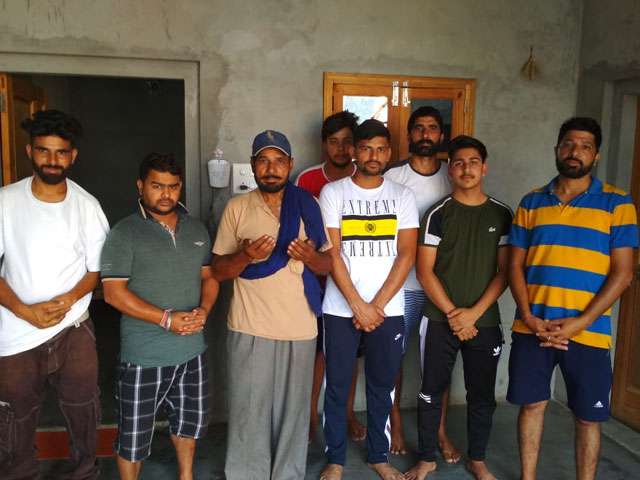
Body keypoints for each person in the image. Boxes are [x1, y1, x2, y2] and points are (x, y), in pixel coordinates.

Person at [507, 117, 638, 480]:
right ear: (557, 149)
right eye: (568, 144)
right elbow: (514, 265)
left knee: (588, 417)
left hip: (588, 331)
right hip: (532, 326)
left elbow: (623, 273)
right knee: (532, 406)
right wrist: (528, 316)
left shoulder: (618, 203)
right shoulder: (532, 201)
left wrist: (581, 322)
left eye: (584, 146)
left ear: (596, 155)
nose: (574, 151)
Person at [212, 130, 332, 480]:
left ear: (290, 165)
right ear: (253, 166)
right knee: (249, 408)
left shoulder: (308, 205)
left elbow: (327, 265)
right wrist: (246, 256)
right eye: (263, 161)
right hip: (250, 324)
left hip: (300, 326)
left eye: (279, 161)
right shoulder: (237, 208)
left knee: (293, 411)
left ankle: (287, 474)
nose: (271, 168)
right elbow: (219, 271)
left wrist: (309, 256)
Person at [0, 109, 109, 479]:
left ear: (72, 156)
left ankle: (84, 472)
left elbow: (95, 271)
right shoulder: (6, 202)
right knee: (15, 415)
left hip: (73, 328)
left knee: (83, 409)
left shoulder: (87, 207)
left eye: (61, 152)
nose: (52, 160)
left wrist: (68, 299)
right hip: (16, 332)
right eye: (44, 151)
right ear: (29, 151)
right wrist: (24, 310)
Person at [100, 153, 218, 480]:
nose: (166, 194)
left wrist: (204, 311)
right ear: (140, 186)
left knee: (188, 424)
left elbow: (209, 277)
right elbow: (113, 293)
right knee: (133, 436)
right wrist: (166, 319)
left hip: (191, 351)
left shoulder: (196, 229)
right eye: (157, 186)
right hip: (143, 355)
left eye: (173, 186)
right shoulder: (125, 232)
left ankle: (186, 475)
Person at [405, 135, 512, 480]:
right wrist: (455, 315)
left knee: (481, 395)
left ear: (485, 168)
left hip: (485, 321)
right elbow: (424, 271)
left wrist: (473, 314)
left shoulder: (502, 214)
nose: (467, 169)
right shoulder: (437, 214)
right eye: (459, 163)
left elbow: (505, 272)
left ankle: (477, 459)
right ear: (450, 170)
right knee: (430, 392)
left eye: (473, 162)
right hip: (439, 319)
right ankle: (426, 458)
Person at [319, 119, 418, 480]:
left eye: (380, 149)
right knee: (337, 386)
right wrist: (358, 306)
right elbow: (332, 253)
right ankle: (335, 459)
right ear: (354, 152)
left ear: (389, 153)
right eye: (366, 148)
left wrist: (375, 307)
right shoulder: (333, 193)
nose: (373, 156)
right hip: (339, 308)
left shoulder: (402, 196)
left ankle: (379, 456)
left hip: (387, 310)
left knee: (382, 386)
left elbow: (406, 254)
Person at [383, 105, 457, 458]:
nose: (426, 134)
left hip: (441, 288)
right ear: (409, 134)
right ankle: (395, 422)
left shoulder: (453, 174)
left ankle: (439, 431)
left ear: (441, 135)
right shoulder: (392, 175)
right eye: (419, 128)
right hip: (403, 287)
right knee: (393, 359)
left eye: (432, 128)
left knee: (439, 363)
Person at [295, 110, 366, 442]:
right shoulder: (308, 179)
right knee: (317, 355)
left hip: (356, 284)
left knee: (349, 356)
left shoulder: (365, 178)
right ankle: (311, 414)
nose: (341, 149)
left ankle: (348, 413)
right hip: (316, 281)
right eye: (334, 142)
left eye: (347, 142)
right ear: (324, 144)